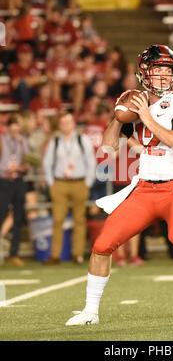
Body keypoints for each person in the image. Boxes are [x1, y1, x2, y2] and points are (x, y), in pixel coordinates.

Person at [65, 44, 173, 326]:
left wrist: (146, 117)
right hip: (144, 189)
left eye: (168, 70)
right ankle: (90, 312)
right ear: (145, 73)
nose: (165, 76)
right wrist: (117, 117)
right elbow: (107, 150)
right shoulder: (137, 103)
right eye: (158, 70)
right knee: (102, 245)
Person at [43, 112, 96, 264]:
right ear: (60, 125)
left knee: (79, 219)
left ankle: (78, 254)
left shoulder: (82, 139)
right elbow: (47, 163)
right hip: (60, 183)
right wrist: (51, 182)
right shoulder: (55, 141)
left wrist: (88, 182)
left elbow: (91, 161)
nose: (66, 125)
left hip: (79, 182)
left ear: (74, 124)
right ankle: (55, 255)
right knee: (58, 219)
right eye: (63, 122)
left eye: (69, 122)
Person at [0, 115, 29, 266]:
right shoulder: (2, 140)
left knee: (18, 218)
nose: (15, 128)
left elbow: (28, 162)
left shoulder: (23, 141)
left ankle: (14, 254)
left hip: (18, 181)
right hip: (4, 181)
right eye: (13, 125)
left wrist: (21, 167)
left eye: (18, 125)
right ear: (8, 127)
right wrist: (6, 168)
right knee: (1, 214)